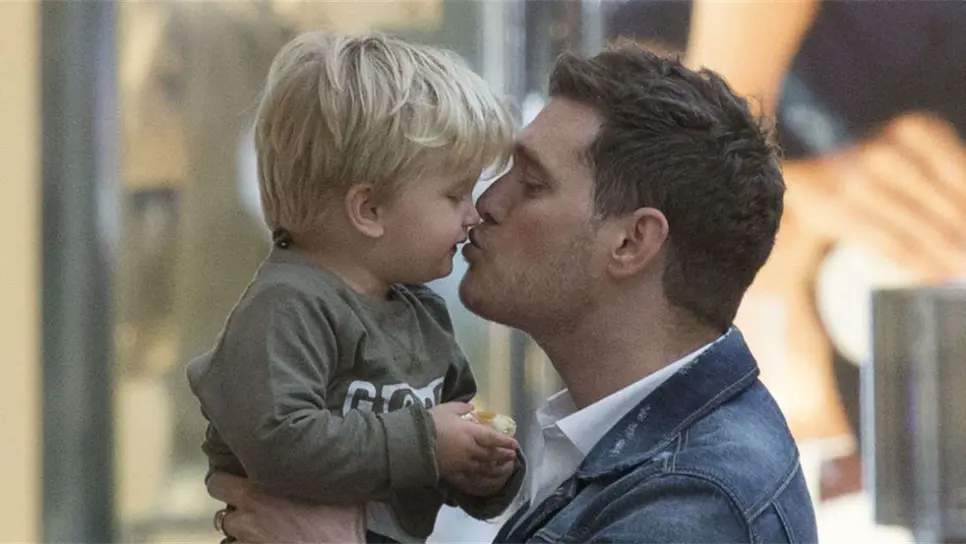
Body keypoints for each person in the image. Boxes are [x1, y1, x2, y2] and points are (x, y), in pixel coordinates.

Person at [207, 43, 819, 543]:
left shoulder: (693, 504)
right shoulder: (626, 450)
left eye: (531, 182)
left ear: (632, 242)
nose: (484, 206)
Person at [186, 31, 526, 544]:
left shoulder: (420, 314)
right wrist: (428, 443)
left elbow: (441, 436)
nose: (473, 214)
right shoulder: (285, 307)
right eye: (455, 194)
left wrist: (481, 469)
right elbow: (279, 441)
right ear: (368, 210)